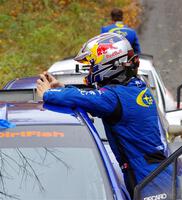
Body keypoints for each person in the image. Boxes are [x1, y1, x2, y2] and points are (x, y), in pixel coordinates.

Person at [36, 33, 172, 198]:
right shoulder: (134, 87)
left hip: (150, 178)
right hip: (154, 172)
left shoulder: (115, 97)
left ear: (108, 65)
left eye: (92, 66)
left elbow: (91, 98)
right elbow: (94, 98)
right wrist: (63, 86)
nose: (90, 71)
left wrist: (49, 94)